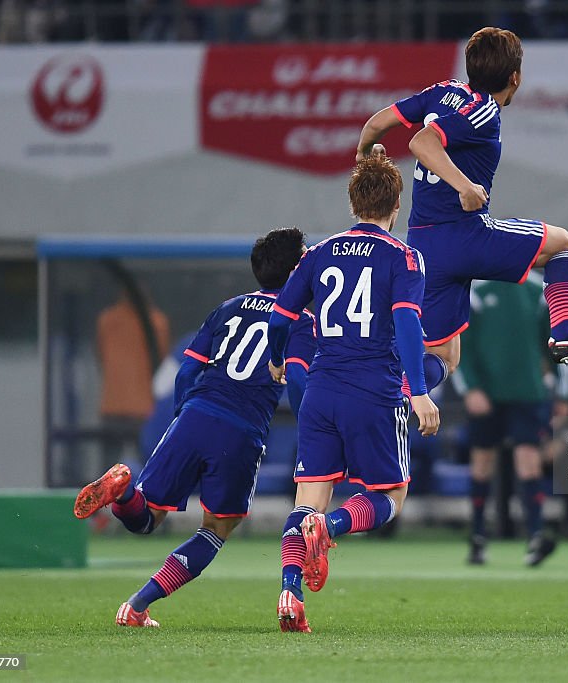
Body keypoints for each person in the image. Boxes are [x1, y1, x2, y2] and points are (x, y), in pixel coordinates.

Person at [73, 227, 313, 628]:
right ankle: (136, 604)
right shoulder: (302, 322)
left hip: (195, 413)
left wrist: (185, 418)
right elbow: (302, 382)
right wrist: (312, 433)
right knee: (218, 528)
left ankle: (124, 490)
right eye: (305, 259)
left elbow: (188, 370)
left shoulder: (229, 308)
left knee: (146, 516)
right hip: (242, 430)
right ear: (294, 272)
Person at [354, 26, 568, 398]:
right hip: (466, 235)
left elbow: (376, 124)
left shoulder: (443, 91)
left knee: (443, 357)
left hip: (423, 244)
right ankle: (563, 337)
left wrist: (364, 153)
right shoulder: (485, 110)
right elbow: (421, 142)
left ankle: (387, 400)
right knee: (565, 245)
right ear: (515, 78)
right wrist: (464, 186)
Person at [267, 154, 439, 634]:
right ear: (398, 204)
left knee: (307, 500)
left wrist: (278, 358)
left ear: (352, 202)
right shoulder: (404, 257)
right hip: (374, 391)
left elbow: (281, 317)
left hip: (322, 389)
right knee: (390, 496)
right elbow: (407, 321)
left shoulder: (318, 254)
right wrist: (420, 392)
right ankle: (333, 528)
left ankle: (289, 591)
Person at [458, 278, 562, 566]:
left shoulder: (537, 292)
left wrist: (560, 387)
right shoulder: (476, 293)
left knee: (528, 460)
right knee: (482, 463)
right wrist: (471, 388)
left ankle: (536, 536)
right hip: (486, 394)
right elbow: (460, 344)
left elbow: (551, 343)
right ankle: (478, 537)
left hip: (528, 392)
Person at [96, 287, 171, 471]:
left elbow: (100, 357)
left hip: (112, 406)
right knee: (146, 467)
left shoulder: (107, 321)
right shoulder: (157, 322)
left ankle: (105, 500)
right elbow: (162, 362)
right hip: (144, 408)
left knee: (108, 470)